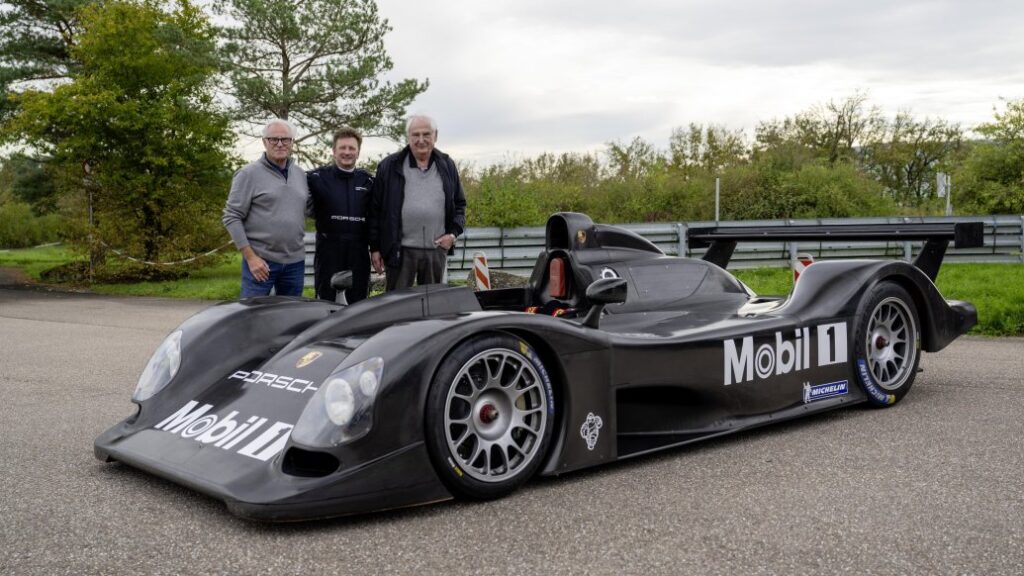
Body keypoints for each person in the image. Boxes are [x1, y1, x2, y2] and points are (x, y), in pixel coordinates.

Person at [369, 114, 466, 291]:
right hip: (399, 251)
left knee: (432, 306)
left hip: (435, 251)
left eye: (426, 134)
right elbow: (375, 210)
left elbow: (460, 205)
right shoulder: (390, 166)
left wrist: (452, 235)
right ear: (408, 137)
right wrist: (375, 248)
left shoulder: (447, 165)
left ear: (435, 136)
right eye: (415, 135)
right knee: (396, 306)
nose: (421, 140)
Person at [222, 119, 308, 298]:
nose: (279, 144)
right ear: (264, 142)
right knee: (252, 318)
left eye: (285, 139)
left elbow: (309, 209)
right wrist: (251, 257)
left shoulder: (300, 175)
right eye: (273, 139)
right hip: (261, 263)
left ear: (292, 142)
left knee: (290, 317)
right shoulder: (248, 174)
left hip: (294, 263)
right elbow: (231, 217)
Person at [306, 127, 374, 302]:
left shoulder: (368, 181)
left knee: (358, 304)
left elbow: (377, 217)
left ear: (358, 152)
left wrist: (377, 249)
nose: (347, 152)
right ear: (334, 151)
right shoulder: (316, 178)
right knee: (325, 303)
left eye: (351, 148)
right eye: (342, 148)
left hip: (358, 253)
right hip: (328, 252)